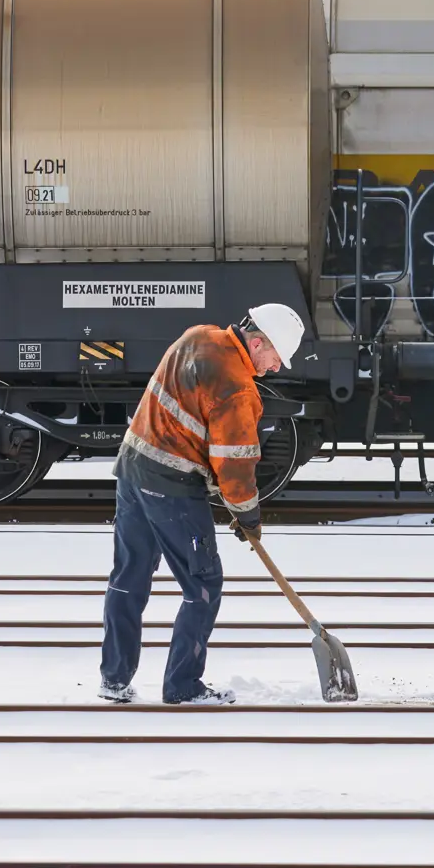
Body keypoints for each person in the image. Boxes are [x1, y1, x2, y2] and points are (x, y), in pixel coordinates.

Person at [99, 302, 306, 705]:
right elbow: (235, 464)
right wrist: (249, 516)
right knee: (203, 586)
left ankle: (114, 678)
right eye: (276, 357)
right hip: (171, 486)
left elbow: (188, 421)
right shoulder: (238, 388)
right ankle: (182, 686)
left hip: (131, 470)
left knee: (130, 576)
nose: (277, 368)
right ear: (258, 341)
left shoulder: (197, 336)